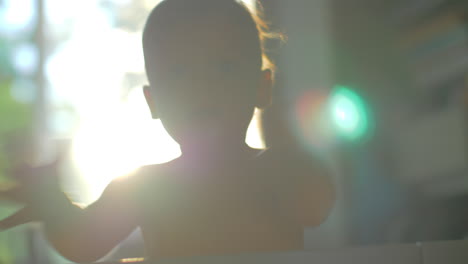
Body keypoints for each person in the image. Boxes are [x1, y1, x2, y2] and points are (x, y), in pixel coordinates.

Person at [0, 0, 334, 262]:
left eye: (223, 67)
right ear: (153, 100)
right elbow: (82, 243)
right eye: (177, 72)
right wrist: (53, 206)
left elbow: (315, 204)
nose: (200, 86)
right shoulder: (144, 188)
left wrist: (291, 149)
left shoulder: (277, 171)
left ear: (262, 88)